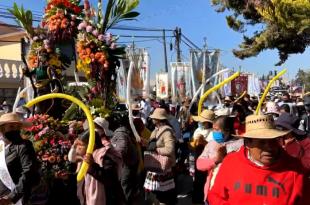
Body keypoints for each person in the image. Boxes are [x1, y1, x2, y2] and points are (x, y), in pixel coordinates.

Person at [208, 114, 310, 205]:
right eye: (262, 143)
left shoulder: (295, 170)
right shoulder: (231, 162)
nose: (270, 147)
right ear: (248, 143)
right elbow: (215, 195)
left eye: (273, 141)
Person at [0, 113, 39, 205]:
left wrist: (11, 197)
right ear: (2, 128)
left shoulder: (24, 145)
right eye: (11, 126)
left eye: (17, 127)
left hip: (17, 198)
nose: (15, 129)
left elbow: (28, 172)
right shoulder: (1, 146)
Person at [144, 108, 176, 205]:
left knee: (163, 195)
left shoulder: (166, 132)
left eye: (154, 117)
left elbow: (170, 149)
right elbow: (152, 144)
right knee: (156, 194)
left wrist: (156, 149)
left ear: (158, 119)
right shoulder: (156, 129)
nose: (152, 119)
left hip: (162, 167)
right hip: (155, 166)